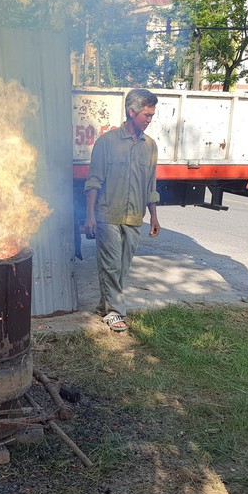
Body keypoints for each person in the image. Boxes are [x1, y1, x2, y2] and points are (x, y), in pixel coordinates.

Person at [84, 88, 161, 332]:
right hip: (107, 214)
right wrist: (89, 216)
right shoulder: (106, 143)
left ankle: (104, 305)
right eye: (146, 115)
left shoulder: (150, 146)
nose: (150, 120)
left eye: (151, 115)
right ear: (132, 112)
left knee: (122, 267)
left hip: (135, 216)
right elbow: (93, 181)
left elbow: (151, 184)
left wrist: (155, 216)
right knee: (111, 265)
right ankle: (115, 313)